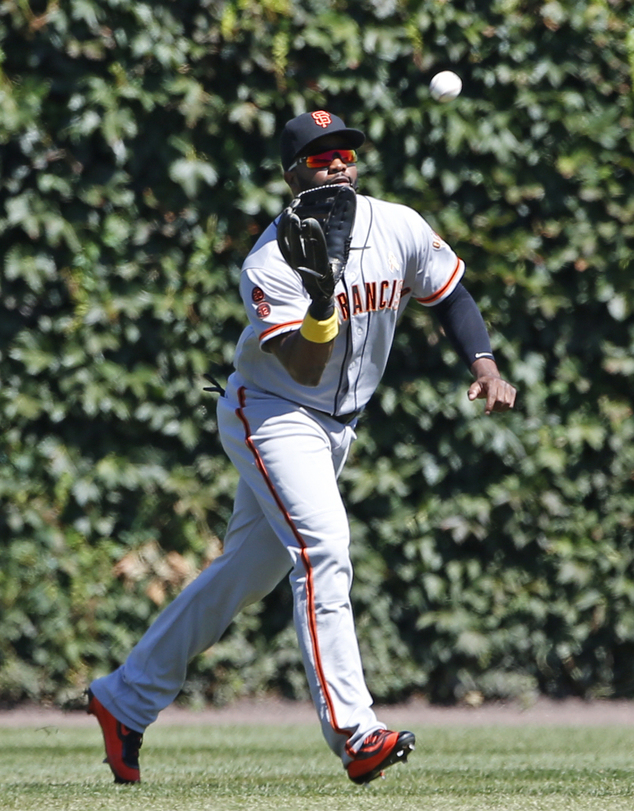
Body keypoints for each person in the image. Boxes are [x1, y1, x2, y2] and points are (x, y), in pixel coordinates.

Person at [87, 110, 517, 786]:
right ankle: (355, 732)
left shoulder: (397, 224)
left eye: (345, 151)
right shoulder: (271, 259)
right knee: (324, 549)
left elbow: (450, 291)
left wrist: (484, 364)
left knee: (243, 574)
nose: (339, 162)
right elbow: (306, 368)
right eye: (320, 157)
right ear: (293, 175)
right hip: (274, 414)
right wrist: (322, 303)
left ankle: (123, 698)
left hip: (335, 427)